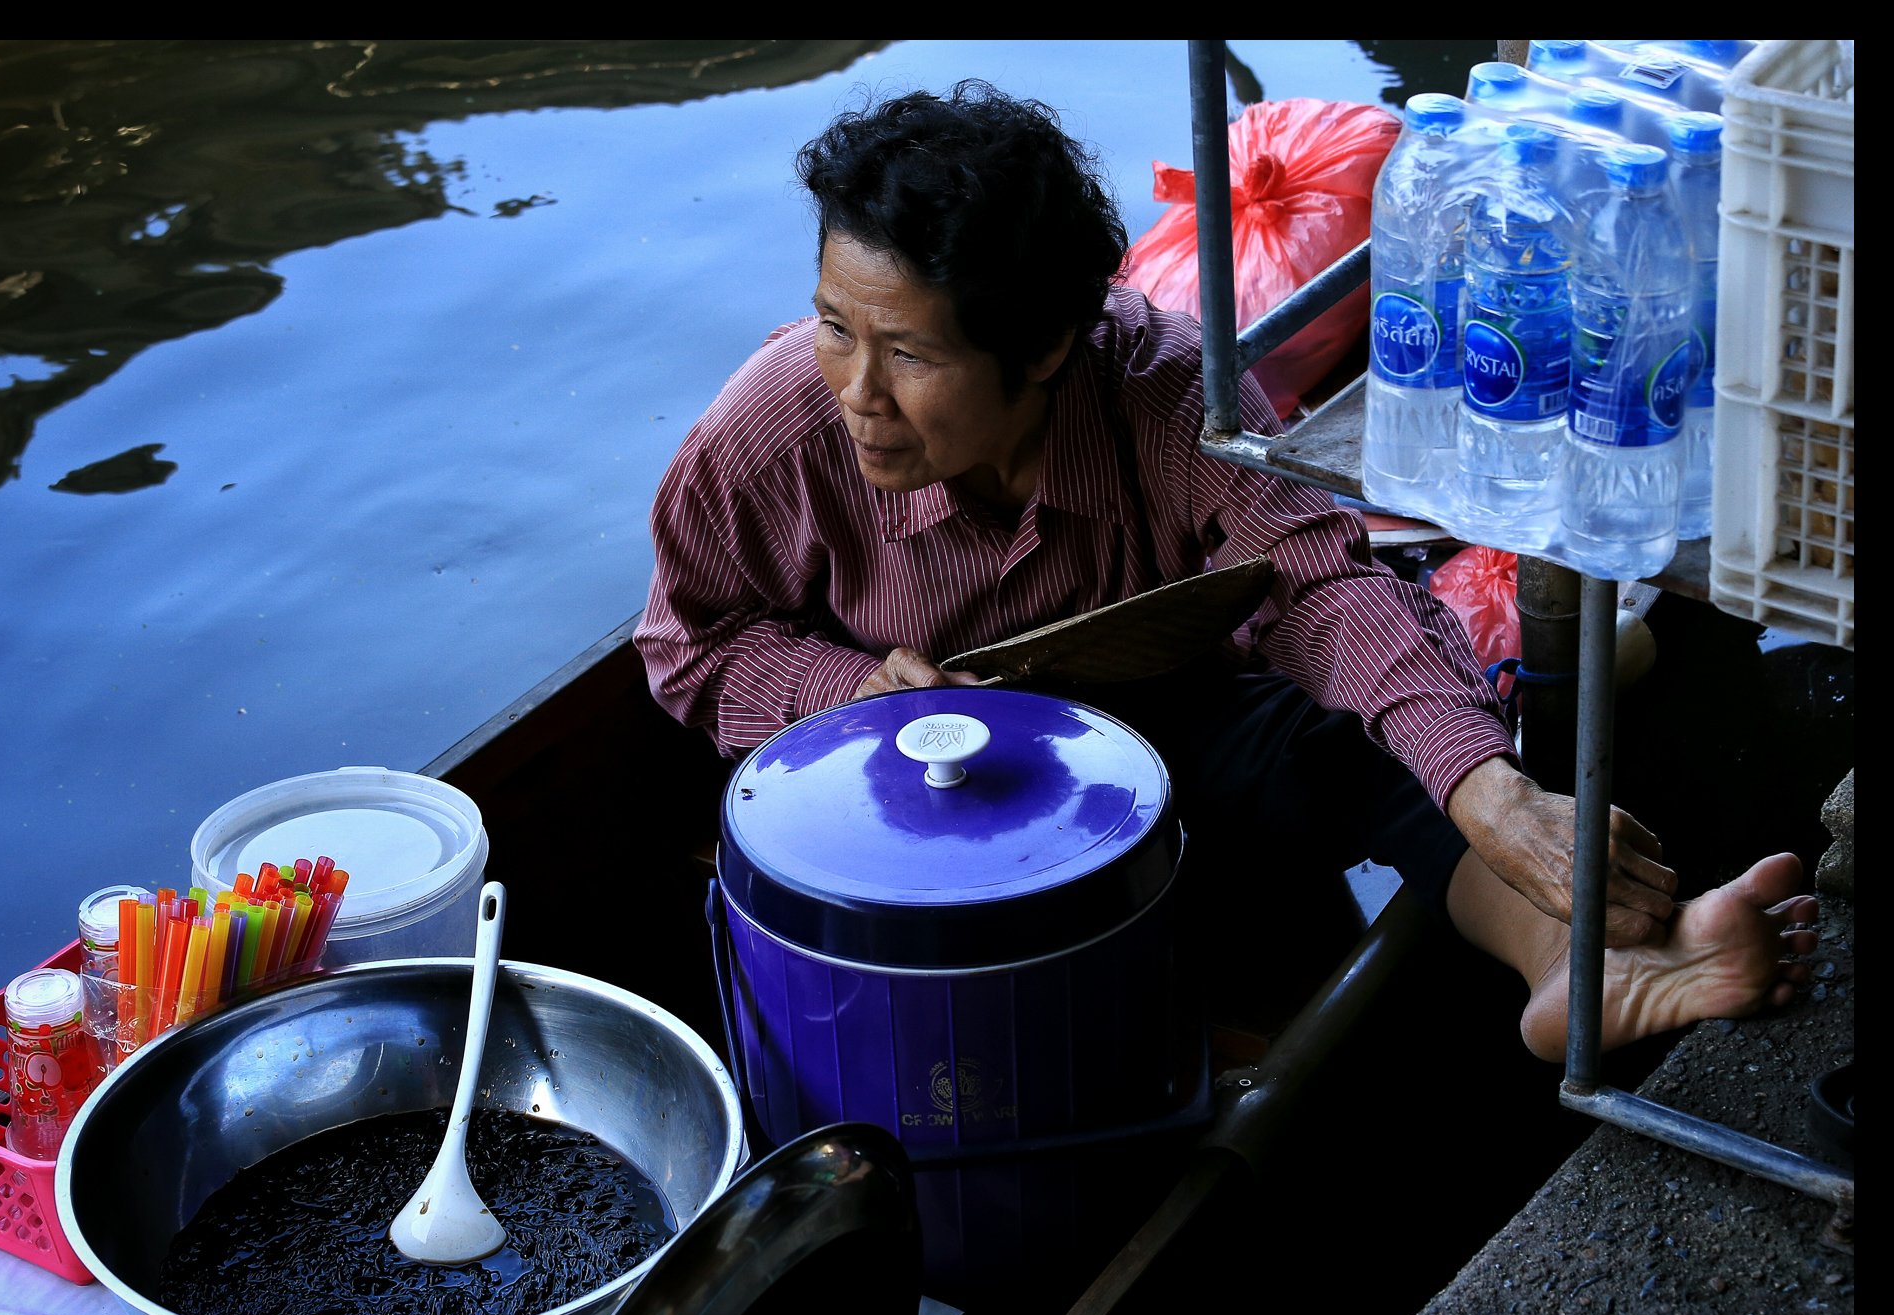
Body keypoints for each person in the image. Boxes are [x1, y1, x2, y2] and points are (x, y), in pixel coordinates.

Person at [634, 83, 1815, 1059]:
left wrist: (1490, 790)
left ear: (1046, 343)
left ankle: (1575, 958)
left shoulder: (1166, 391)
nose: (857, 393)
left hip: (1156, 728)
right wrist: (848, 701)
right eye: (836, 325)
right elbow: (687, 648)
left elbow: (1327, 585)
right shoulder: (772, 432)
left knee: (1377, 743)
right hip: (911, 781)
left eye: (907, 353)